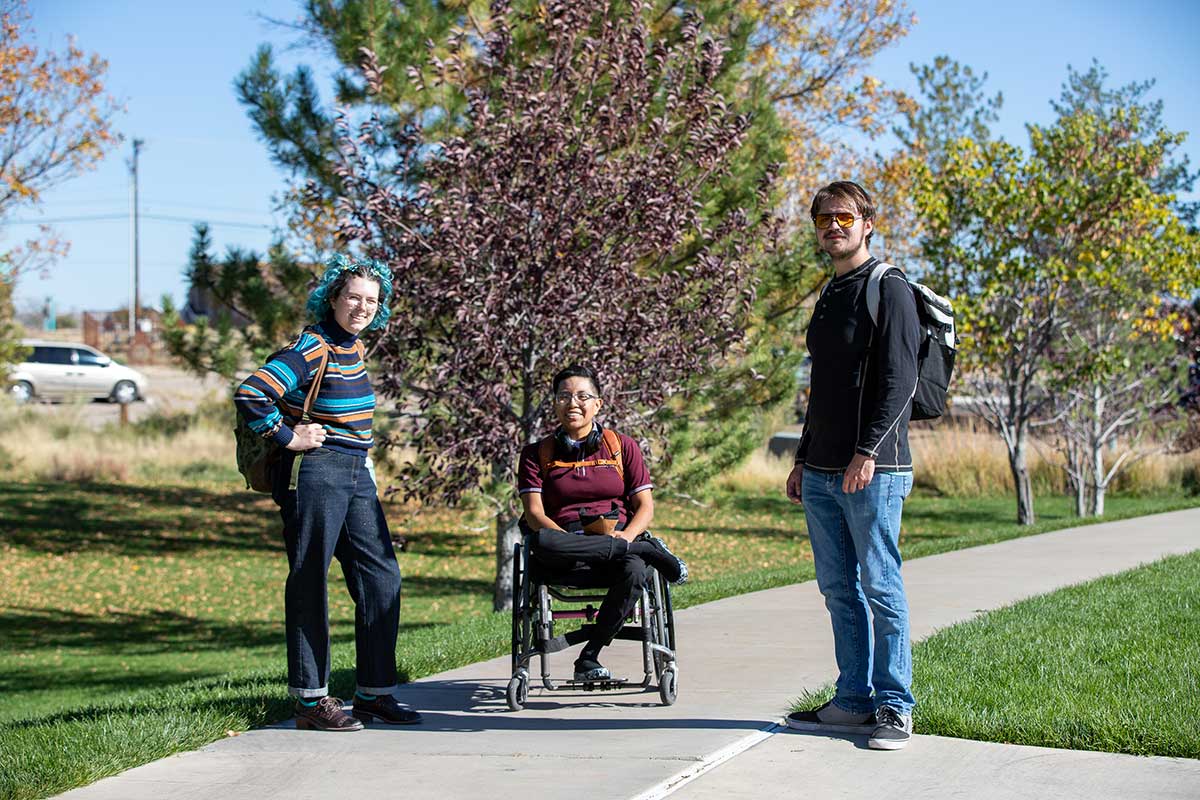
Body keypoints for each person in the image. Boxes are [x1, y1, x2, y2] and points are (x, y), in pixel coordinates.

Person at [235, 254, 421, 731]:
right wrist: (288, 436)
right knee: (310, 579)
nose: (362, 307)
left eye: (371, 301)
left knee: (381, 577)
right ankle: (311, 700)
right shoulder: (314, 345)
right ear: (333, 298)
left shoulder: (353, 347)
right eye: (353, 297)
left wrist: (367, 463)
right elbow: (253, 393)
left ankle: (374, 693)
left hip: (355, 472)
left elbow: (352, 420)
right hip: (315, 472)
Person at [783, 181, 921, 750]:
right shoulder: (830, 292)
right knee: (839, 589)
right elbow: (823, 388)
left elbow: (901, 380)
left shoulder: (889, 288)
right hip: (819, 470)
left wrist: (866, 454)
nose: (832, 226)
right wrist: (800, 457)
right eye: (823, 219)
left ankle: (894, 707)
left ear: (867, 223)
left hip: (874, 470)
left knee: (881, 586)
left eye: (843, 217)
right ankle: (853, 701)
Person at [518, 364, 688, 682]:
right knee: (540, 540)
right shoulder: (535, 454)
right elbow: (535, 515)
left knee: (635, 569)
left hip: (618, 544)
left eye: (583, 396)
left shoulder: (622, 447)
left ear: (598, 404)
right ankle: (647, 550)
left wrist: (625, 536)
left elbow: (645, 507)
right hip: (564, 549)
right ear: (554, 403)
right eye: (564, 396)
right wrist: (611, 545)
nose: (573, 403)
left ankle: (589, 656)